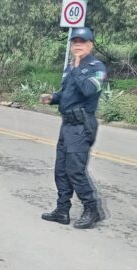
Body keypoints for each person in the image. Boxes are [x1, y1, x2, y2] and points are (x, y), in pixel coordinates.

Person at [40, 27, 106, 229]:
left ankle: (92, 210)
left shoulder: (98, 67)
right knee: (61, 170)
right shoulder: (70, 68)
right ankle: (62, 211)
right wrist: (52, 98)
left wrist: (77, 67)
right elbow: (66, 93)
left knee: (75, 170)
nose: (77, 44)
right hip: (67, 124)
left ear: (90, 44)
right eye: (74, 41)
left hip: (82, 125)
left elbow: (87, 90)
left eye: (82, 41)